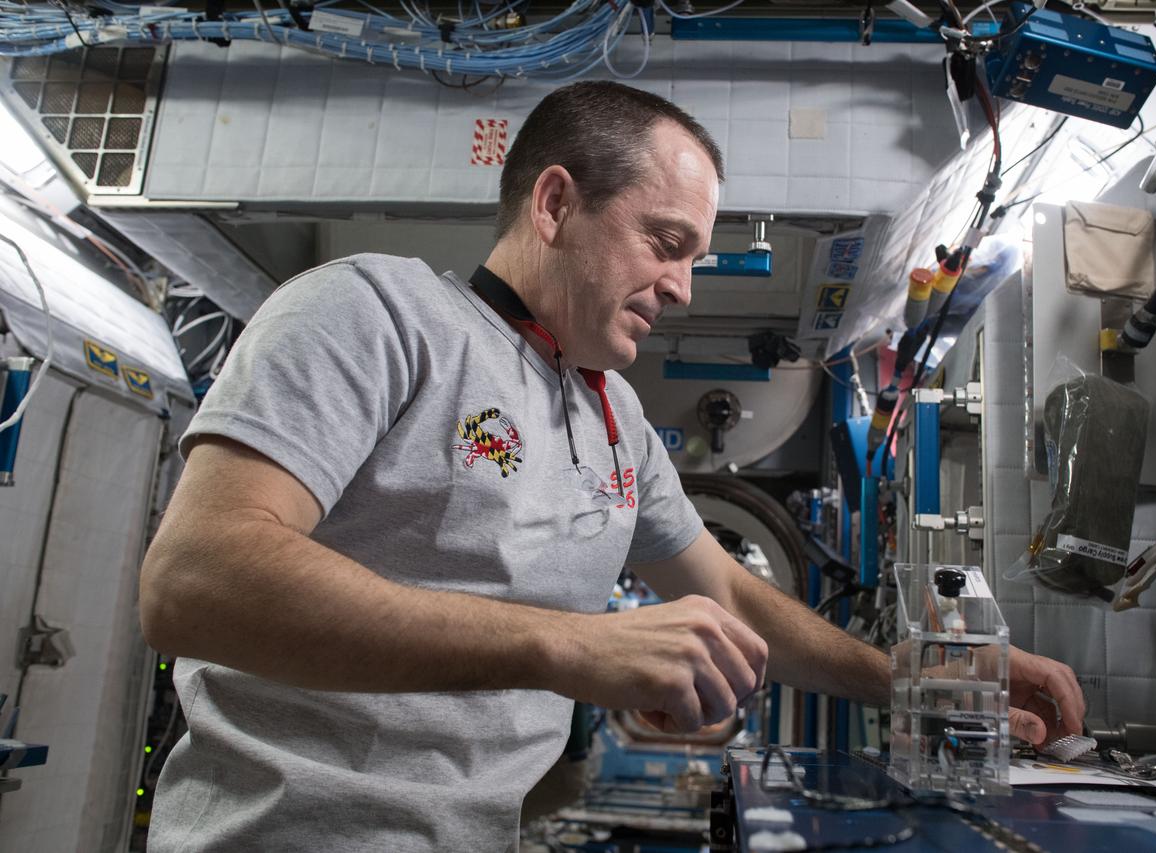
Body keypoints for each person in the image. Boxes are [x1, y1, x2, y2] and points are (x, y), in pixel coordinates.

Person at [140, 81, 1085, 851]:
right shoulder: (376, 315)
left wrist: (918, 676)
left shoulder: (615, 417)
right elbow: (195, 578)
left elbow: (730, 592)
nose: (682, 287)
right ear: (556, 204)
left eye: (694, 258)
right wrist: (569, 645)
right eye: (666, 244)